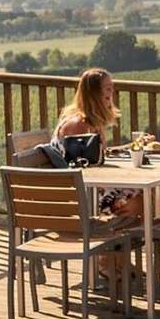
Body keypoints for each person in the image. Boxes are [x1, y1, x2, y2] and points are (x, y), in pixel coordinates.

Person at [55, 67, 140, 219]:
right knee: (138, 198)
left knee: (140, 193)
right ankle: (117, 238)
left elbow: (96, 157)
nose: (111, 93)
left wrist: (131, 147)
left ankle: (126, 238)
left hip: (87, 186)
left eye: (112, 88)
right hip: (78, 194)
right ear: (94, 94)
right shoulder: (78, 125)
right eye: (108, 88)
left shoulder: (92, 122)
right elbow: (83, 170)